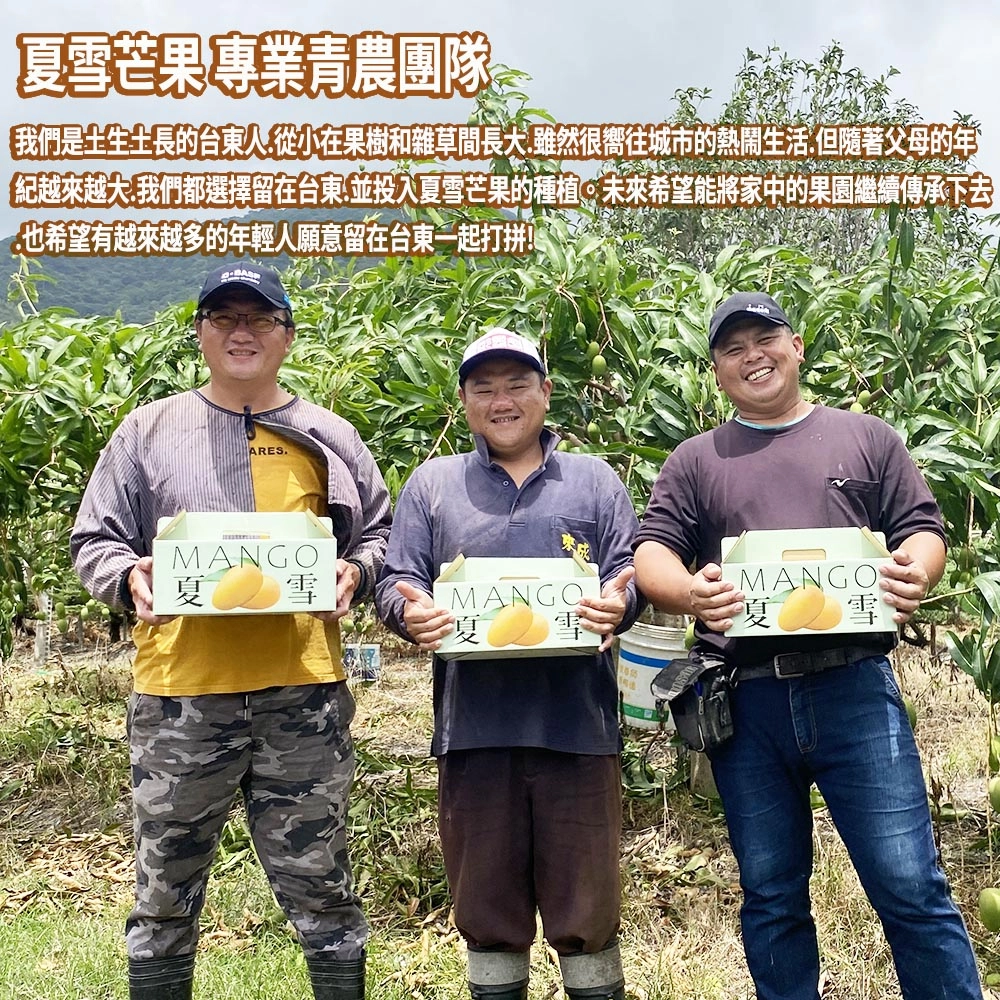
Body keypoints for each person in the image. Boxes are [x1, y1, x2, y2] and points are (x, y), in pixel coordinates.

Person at [633, 291, 982, 1000]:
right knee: (771, 892)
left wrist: (916, 570)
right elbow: (652, 552)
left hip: (854, 689)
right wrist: (691, 592)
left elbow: (921, 529)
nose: (752, 357)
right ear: (716, 370)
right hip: (748, 700)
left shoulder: (866, 437)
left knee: (910, 885)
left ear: (796, 347)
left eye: (765, 340)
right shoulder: (697, 459)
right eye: (732, 349)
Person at [71, 263, 392, 1000]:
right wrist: (128, 578)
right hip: (181, 695)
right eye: (224, 318)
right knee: (164, 892)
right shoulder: (148, 430)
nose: (241, 332)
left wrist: (355, 572)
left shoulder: (329, 435)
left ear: (287, 335)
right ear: (200, 333)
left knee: (323, 888)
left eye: (259, 318)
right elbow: (95, 539)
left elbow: (379, 533)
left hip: (302, 695)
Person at [375, 329, 643, 1000]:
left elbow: (629, 572)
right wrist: (410, 613)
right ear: (464, 402)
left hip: (578, 730)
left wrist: (620, 603)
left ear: (545, 393)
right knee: (486, 909)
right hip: (474, 732)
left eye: (518, 384)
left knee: (588, 910)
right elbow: (396, 580)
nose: (502, 401)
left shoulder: (594, 480)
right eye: (484, 388)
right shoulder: (434, 485)